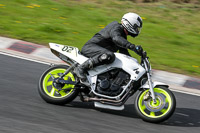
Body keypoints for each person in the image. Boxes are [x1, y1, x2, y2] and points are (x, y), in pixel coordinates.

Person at [75, 12, 143, 79]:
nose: (137, 30)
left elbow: (124, 53)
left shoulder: (122, 36)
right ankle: (81, 68)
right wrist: (132, 46)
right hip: (90, 48)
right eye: (136, 27)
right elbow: (116, 38)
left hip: (100, 54)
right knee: (109, 55)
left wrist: (136, 64)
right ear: (129, 24)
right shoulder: (116, 27)